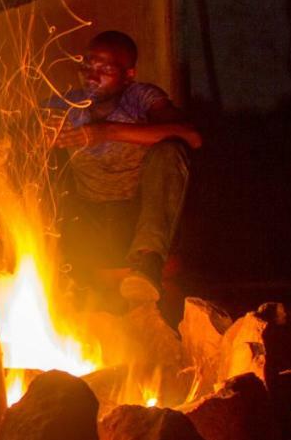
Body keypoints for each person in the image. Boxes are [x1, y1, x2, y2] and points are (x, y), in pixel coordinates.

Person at [51, 30, 201, 302]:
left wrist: (106, 132)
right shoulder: (67, 104)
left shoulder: (140, 98)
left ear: (128, 74)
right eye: (87, 66)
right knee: (38, 158)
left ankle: (148, 262)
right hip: (89, 217)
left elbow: (191, 135)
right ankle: (41, 257)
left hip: (137, 214)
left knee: (171, 150)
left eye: (105, 69)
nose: (92, 76)